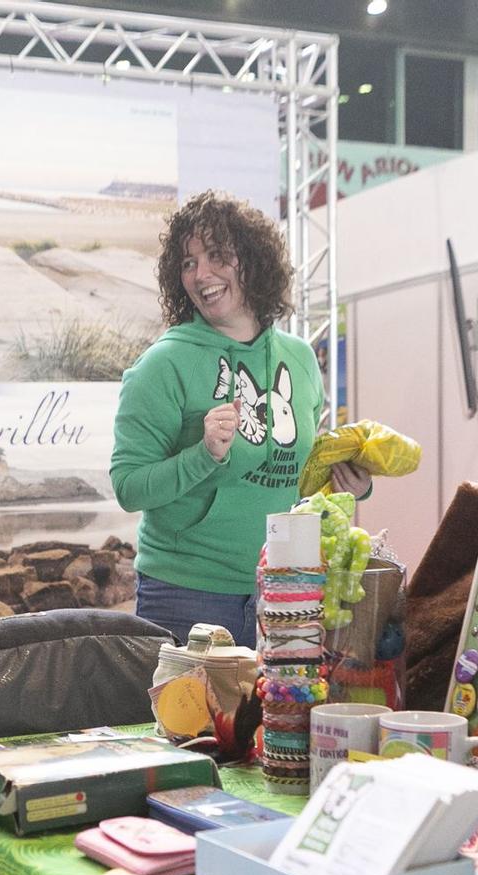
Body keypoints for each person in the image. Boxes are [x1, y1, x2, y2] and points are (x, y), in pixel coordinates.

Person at [108, 190, 327, 648]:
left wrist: (347, 478)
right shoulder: (162, 366)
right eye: (188, 263)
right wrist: (203, 455)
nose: (200, 274)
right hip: (186, 595)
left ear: (253, 260)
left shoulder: (300, 359)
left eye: (216, 256)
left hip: (286, 591)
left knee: (283, 722)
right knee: (187, 724)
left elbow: (300, 476)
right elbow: (129, 488)